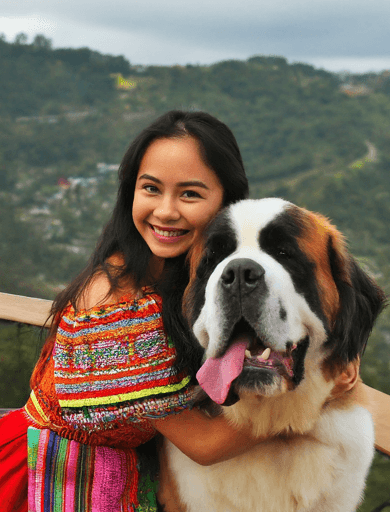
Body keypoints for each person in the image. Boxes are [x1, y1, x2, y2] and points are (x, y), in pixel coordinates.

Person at [0, 110, 265, 512]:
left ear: (227, 202)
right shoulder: (116, 305)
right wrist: (318, 396)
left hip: (112, 476)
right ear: (131, 192)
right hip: (46, 478)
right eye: (151, 189)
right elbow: (205, 445)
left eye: (190, 194)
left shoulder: (185, 281)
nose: (165, 211)